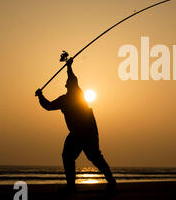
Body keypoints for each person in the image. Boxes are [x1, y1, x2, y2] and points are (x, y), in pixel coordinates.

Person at [35, 58, 116, 192]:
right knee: (89, 157)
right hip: (85, 131)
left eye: (69, 83)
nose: (69, 83)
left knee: (88, 157)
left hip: (84, 131)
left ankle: (74, 186)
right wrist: (41, 97)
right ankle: (108, 183)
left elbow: (48, 105)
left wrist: (69, 67)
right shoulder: (74, 96)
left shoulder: (74, 96)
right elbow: (49, 106)